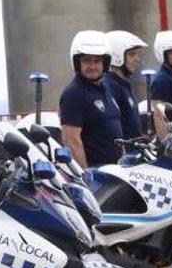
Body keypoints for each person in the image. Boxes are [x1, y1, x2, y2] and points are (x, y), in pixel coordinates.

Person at [59, 30, 123, 168]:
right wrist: (86, 178)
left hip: (116, 172)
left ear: (105, 63)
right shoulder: (74, 93)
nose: (93, 66)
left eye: (97, 61)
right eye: (87, 61)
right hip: (97, 175)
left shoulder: (106, 88)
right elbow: (71, 140)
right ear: (77, 63)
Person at [104, 30, 147, 139]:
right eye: (132, 54)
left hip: (135, 152)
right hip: (125, 154)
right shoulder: (110, 86)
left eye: (137, 54)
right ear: (116, 56)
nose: (137, 59)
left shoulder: (122, 84)